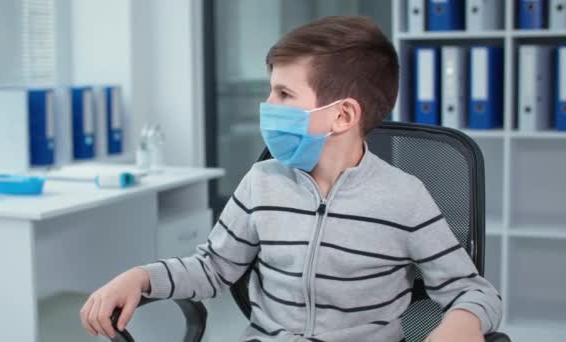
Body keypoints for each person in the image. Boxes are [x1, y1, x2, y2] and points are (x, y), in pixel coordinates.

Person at [80, 16, 502, 342]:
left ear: (343, 115)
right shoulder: (263, 182)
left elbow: (473, 290)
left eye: (284, 94)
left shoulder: (404, 198)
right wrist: (140, 276)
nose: (268, 105)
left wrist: (462, 323)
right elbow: (212, 268)